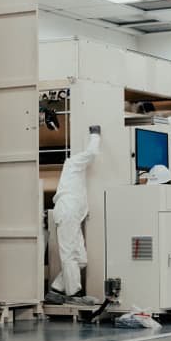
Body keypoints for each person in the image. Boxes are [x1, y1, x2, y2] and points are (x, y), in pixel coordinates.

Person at [47, 125, 101, 304]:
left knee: (81, 260)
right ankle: (74, 294)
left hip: (73, 215)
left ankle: (56, 289)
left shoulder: (75, 171)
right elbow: (92, 153)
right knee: (69, 254)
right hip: (68, 212)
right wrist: (96, 135)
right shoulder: (74, 162)